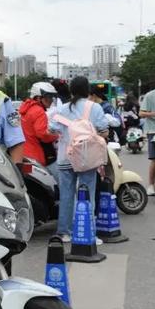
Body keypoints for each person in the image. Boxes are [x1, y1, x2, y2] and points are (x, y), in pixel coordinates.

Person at [49, 76, 109, 243]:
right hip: (86, 158)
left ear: (71, 90)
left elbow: (52, 129)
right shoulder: (95, 107)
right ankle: (89, 233)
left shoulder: (61, 109)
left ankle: (64, 232)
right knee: (87, 194)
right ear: (87, 90)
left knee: (66, 195)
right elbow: (104, 130)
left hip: (64, 157)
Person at [18, 82, 59, 179]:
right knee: (59, 181)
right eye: (48, 96)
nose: (51, 100)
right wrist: (57, 135)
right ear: (38, 98)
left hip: (24, 154)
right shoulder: (39, 111)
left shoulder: (26, 108)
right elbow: (43, 134)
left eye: (52, 97)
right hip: (37, 157)